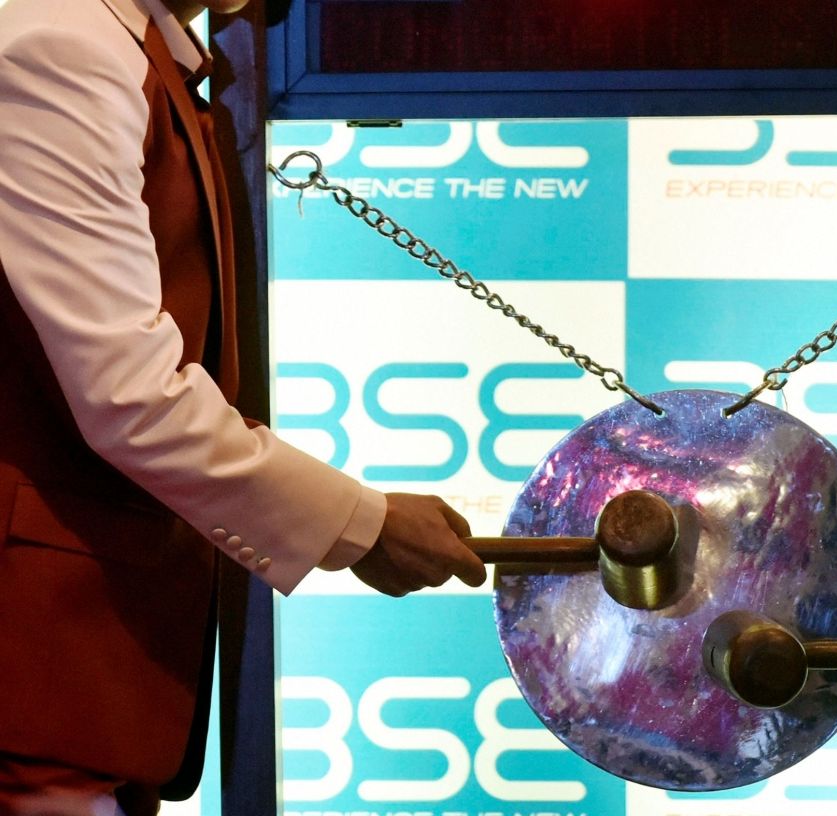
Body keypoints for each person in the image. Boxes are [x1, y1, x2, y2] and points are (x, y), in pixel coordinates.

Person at [0, 0, 489, 813]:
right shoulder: (62, 46)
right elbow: (131, 396)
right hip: (38, 673)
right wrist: (362, 525)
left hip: (78, 684)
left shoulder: (132, 49)